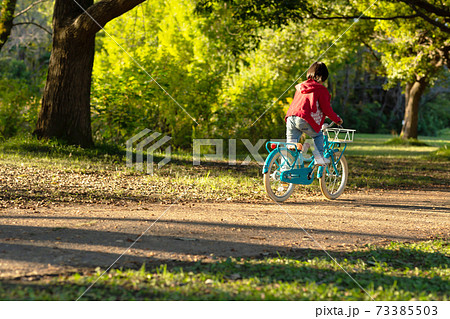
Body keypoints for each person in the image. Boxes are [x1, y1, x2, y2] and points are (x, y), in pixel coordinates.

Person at [285, 62, 343, 165]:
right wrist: (337, 119)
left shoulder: (301, 87)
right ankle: (319, 158)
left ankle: (285, 172)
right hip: (304, 118)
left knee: (291, 147)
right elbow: (327, 109)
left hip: (290, 117)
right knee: (318, 136)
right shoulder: (320, 90)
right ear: (323, 76)